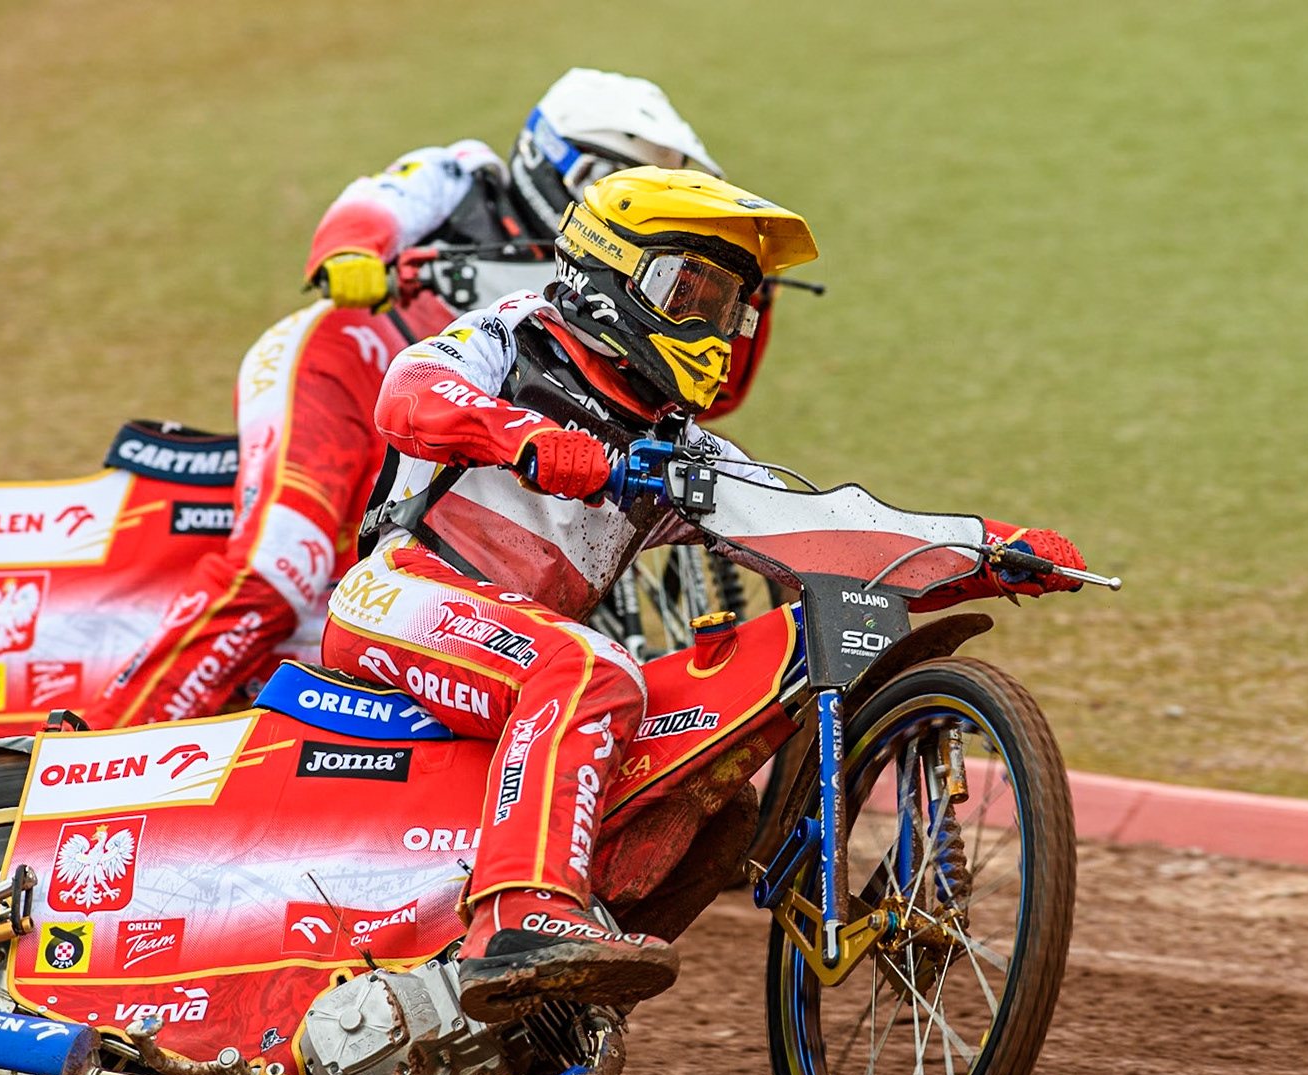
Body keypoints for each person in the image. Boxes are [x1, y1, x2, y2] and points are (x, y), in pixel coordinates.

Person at [321, 167, 1089, 1020]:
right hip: (396, 597)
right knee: (590, 671)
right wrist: (533, 440)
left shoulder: (682, 449)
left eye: (732, 308)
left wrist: (982, 550)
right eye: (691, 293)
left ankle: (548, 1016)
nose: (716, 329)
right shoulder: (514, 338)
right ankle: (516, 917)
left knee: (717, 811)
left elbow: (820, 527)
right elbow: (408, 393)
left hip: (522, 647)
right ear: (611, 276)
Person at [83, 70, 747, 728]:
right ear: (561, 164)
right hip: (342, 368)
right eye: (613, 179)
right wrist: (355, 250)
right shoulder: (465, 177)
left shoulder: (599, 269)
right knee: (285, 566)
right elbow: (374, 206)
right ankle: (96, 741)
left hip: (449, 424)